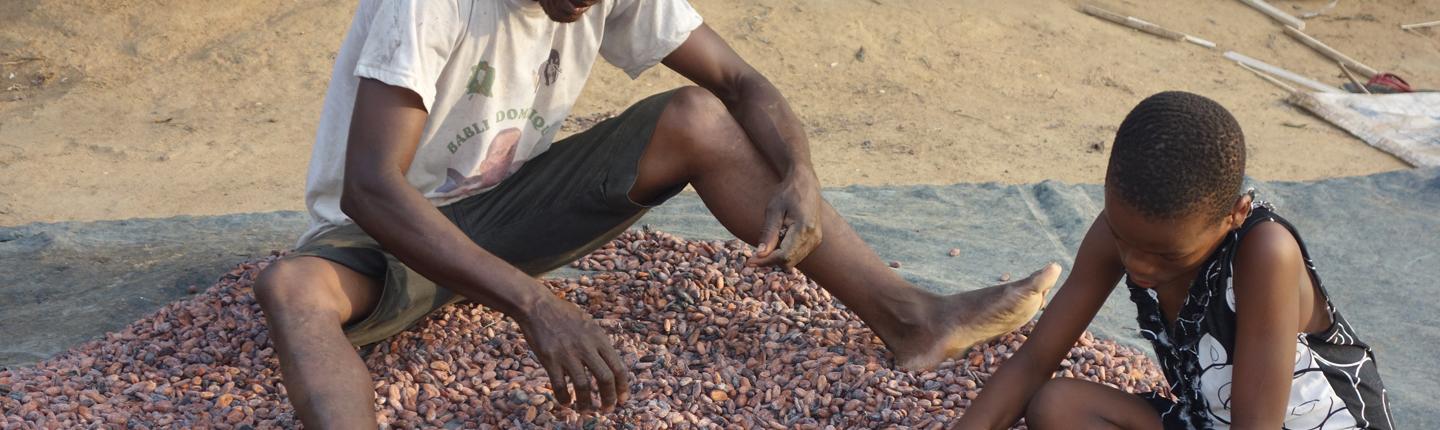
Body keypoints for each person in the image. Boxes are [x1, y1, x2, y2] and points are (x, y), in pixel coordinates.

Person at [251, 0, 1061, 427]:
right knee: (293, 292)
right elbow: (370, 187)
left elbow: (742, 85)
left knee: (700, 117)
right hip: (387, 237)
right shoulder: (427, 3)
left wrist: (800, 172)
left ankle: (912, 316)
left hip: (507, 211)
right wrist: (537, 304)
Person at [951, 91, 1393, 430]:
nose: (1139, 265)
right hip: (1211, 421)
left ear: (1234, 214)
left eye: (1167, 255)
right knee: (1057, 406)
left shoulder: (1265, 253)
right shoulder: (1119, 232)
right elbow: (1035, 360)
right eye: (1124, 240)